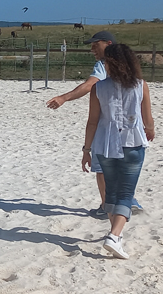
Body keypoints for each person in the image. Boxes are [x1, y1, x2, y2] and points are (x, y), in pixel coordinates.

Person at [46, 31, 142, 217]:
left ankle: (107, 206)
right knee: (125, 167)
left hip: (108, 127)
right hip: (130, 129)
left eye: (94, 45)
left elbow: (90, 85)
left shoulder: (103, 65)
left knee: (102, 168)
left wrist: (64, 98)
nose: (92, 49)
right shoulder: (131, 67)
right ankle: (129, 201)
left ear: (107, 43)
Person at [82, 44, 154, 259]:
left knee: (111, 192)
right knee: (125, 193)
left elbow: (92, 122)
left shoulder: (98, 87)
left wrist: (86, 149)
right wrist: (150, 130)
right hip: (132, 143)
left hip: (105, 144)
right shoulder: (141, 85)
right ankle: (114, 236)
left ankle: (116, 236)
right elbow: (148, 119)